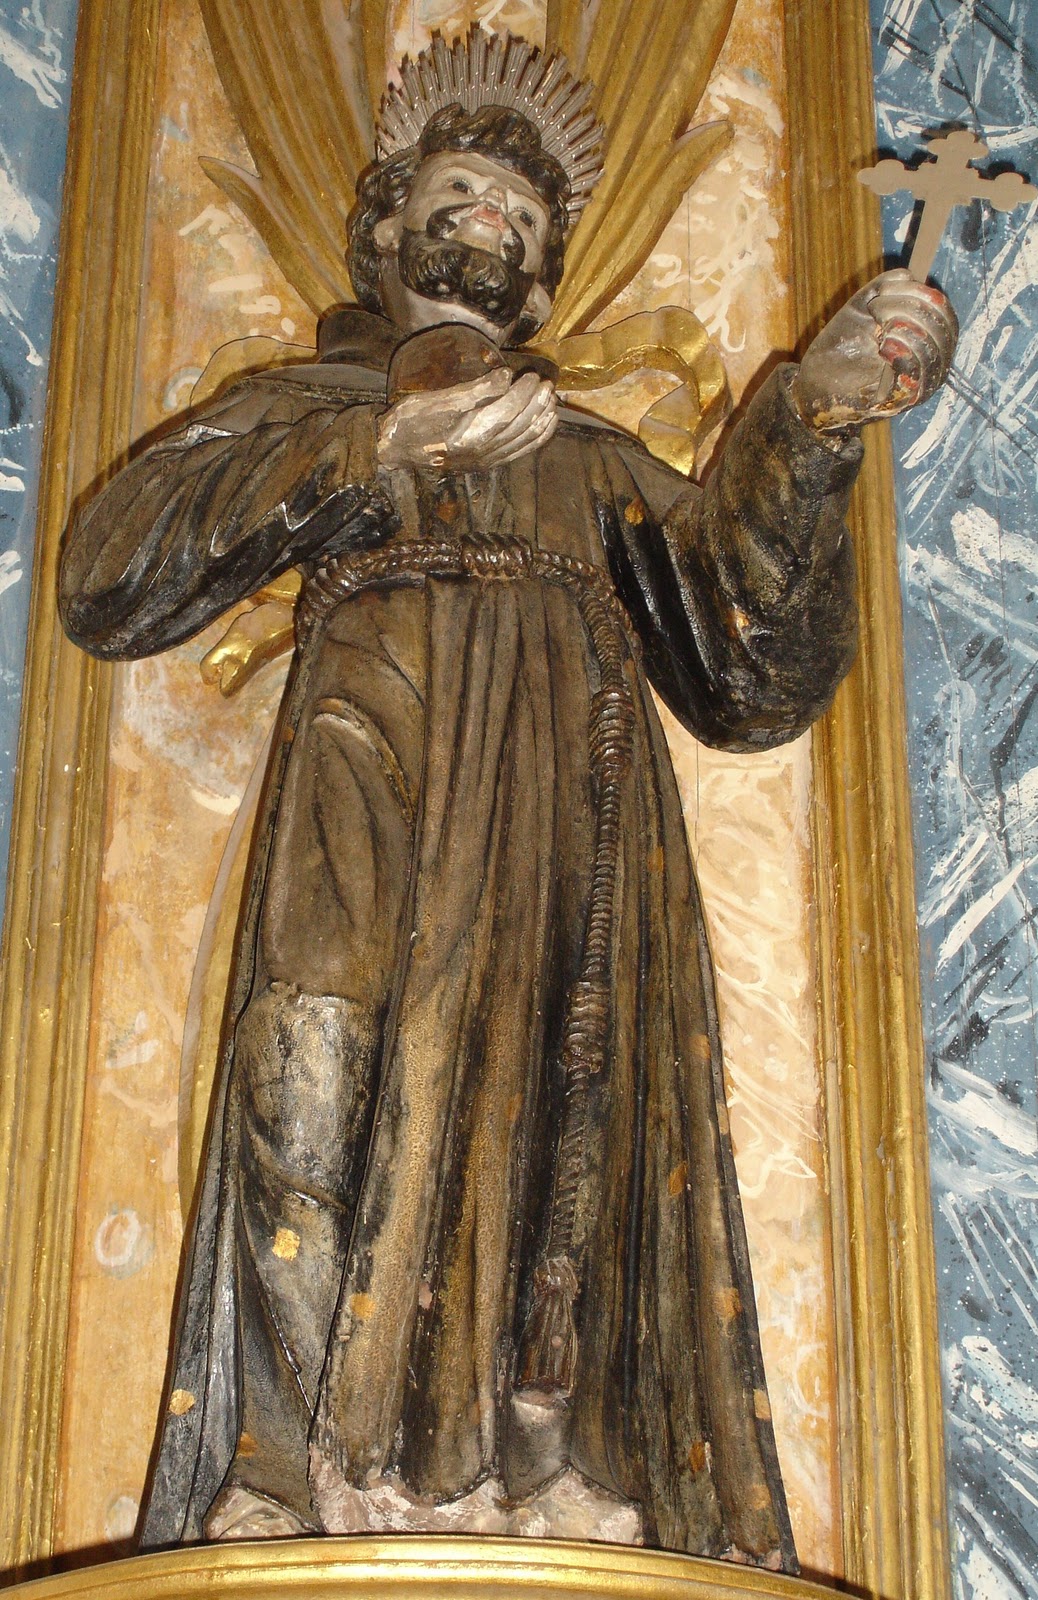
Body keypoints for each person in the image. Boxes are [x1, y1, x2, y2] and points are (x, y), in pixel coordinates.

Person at [59, 31, 956, 1564]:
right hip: (368, 772)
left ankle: (535, 1456)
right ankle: (287, 1461)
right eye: (462, 192)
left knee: (552, 1110)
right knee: (306, 1063)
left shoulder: (585, 460)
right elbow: (105, 574)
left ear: (539, 280)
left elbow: (746, 664)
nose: (491, 221)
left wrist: (807, 418)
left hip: (557, 811)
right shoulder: (301, 405)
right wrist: (372, 444)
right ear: (389, 227)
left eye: (523, 219)